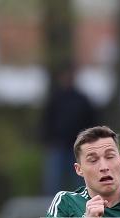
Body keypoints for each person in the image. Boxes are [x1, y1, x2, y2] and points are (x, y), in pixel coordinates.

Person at [40, 64, 98, 195]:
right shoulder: (55, 99)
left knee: (79, 181)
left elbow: (91, 123)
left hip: (77, 148)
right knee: (54, 183)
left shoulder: (82, 100)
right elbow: (46, 121)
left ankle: (80, 209)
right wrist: (48, 141)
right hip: (58, 146)